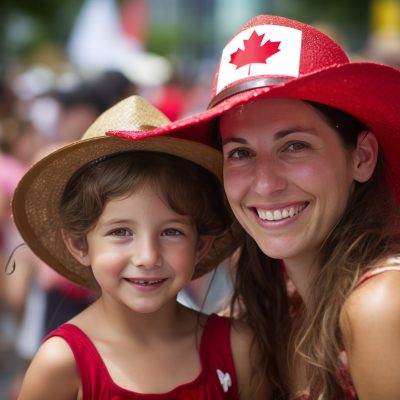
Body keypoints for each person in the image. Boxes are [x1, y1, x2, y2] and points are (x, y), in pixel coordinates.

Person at [111, 15, 400, 400]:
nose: (265, 184)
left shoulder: (381, 305)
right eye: (241, 152)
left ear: (361, 158)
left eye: (294, 146)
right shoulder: (275, 305)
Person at [11, 95, 269, 400]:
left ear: (200, 245)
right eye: (121, 232)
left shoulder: (239, 349)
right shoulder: (61, 365)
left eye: (171, 232)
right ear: (80, 245)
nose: (147, 257)